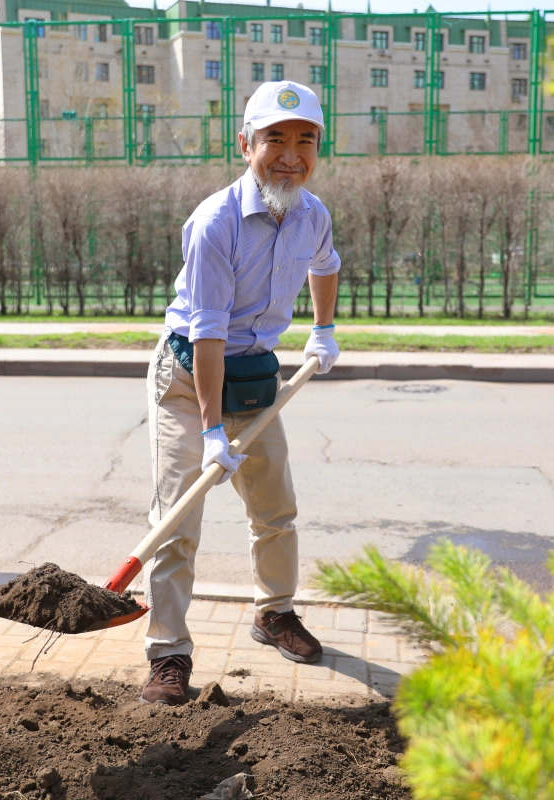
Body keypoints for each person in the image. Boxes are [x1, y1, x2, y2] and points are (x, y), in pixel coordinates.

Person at [140, 81, 341, 705]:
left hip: (254, 375)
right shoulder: (214, 223)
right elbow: (206, 335)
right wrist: (209, 431)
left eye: (304, 140)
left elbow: (325, 264)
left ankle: (273, 613)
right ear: (245, 144)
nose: (291, 155)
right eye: (274, 140)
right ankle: (168, 652)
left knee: (275, 511)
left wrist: (323, 329)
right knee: (177, 521)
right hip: (187, 380)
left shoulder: (312, 212)